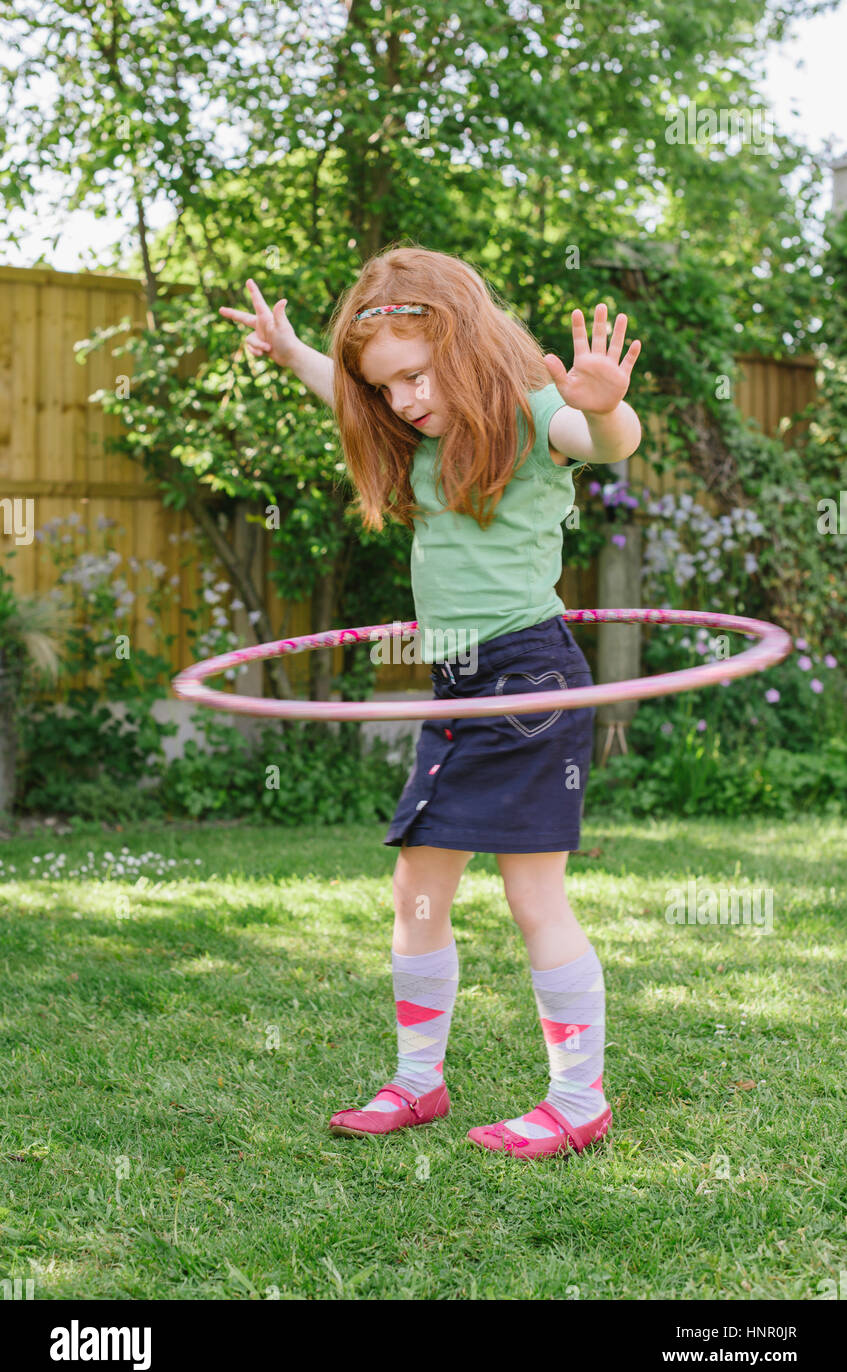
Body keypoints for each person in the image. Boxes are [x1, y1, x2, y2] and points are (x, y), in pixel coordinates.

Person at [220, 246, 642, 1159]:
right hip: (456, 680)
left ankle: (579, 1100)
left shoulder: (534, 414)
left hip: (528, 679)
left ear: (463, 347)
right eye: (386, 389)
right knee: (417, 889)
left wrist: (605, 408)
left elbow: (599, 441)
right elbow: (342, 382)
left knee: (533, 897)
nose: (404, 399)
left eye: (416, 375)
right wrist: (292, 349)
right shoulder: (417, 440)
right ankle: (418, 1082)